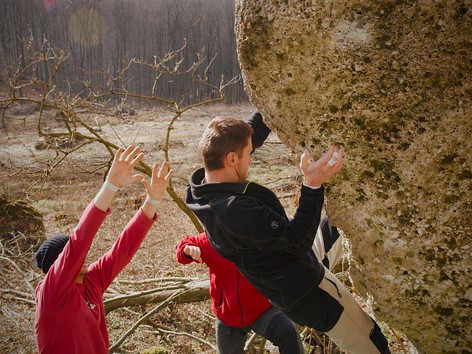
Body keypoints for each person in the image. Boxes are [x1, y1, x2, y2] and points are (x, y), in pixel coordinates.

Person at [185, 112, 391, 354]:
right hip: (309, 290)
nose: (251, 160)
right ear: (231, 159)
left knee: (338, 223)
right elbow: (297, 240)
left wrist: (268, 108)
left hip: (285, 273)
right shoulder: (235, 211)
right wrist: (312, 185)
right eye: (248, 155)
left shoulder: (200, 188)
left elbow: (243, 138)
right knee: (371, 343)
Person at [34, 145, 173, 354]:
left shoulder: (91, 282)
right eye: (70, 256)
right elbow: (79, 241)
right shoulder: (52, 294)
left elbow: (122, 249)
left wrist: (152, 201)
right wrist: (110, 186)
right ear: (59, 265)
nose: (82, 256)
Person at [176, 232, 304, 354]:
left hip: (263, 309)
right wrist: (187, 250)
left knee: (288, 332)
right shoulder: (211, 239)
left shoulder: (258, 233)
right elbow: (182, 248)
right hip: (228, 315)